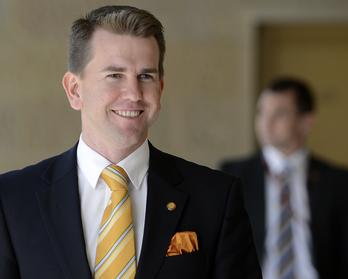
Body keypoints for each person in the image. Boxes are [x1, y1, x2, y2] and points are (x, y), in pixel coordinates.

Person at [0, 5, 261, 279]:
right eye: (115, 75)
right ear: (75, 90)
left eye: (146, 76)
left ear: (160, 89)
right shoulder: (13, 200)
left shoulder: (216, 198)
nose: (134, 93)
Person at [220, 77, 348, 279]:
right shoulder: (233, 175)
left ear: (306, 122)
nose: (266, 122)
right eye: (261, 112)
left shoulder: (336, 181)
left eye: (279, 114)